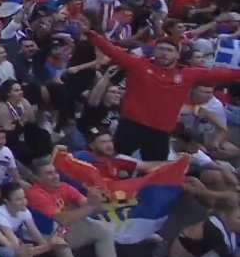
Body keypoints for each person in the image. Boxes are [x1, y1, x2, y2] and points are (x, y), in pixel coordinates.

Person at [86, 29, 238, 161]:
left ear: (178, 55)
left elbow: (220, 74)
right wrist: (93, 36)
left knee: (154, 172)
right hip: (131, 126)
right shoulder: (139, 65)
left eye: (169, 50)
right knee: (115, 163)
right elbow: (113, 51)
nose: (164, 53)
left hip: (159, 133)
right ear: (155, 51)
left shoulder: (188, 74)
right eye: (160, 49)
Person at [25, 160, 117, 257]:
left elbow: (88, 205)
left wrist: (99, 199)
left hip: (64, 230)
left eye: (56, 172)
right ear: (37, 178)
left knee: (103, 231)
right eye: (49, 173)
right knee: (61, 245)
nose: (55, 176)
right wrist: (91, 206)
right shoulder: (35, 194)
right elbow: (63, 219)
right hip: (44, 236)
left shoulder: (64, 186)